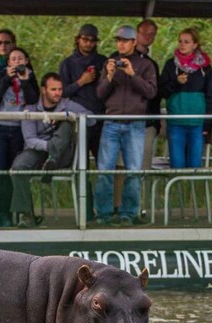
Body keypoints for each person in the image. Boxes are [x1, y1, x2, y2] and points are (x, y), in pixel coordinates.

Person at [10, 73, 94, 228]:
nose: (58, 93)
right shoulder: (31, 108)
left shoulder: (67, 104)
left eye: (60, 89)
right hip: (38, 150)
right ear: (44, 90)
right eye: (53, 89)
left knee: (67, 125)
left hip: (62, 154)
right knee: (18, 167)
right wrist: (49, 147)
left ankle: (52, 161)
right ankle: (26, 215)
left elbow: (91, 118)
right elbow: (30, 139)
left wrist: (67, 116)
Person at [94, 25, 158, 226]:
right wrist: (111, 75)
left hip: (135, 124)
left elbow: (150, 92)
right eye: (118, 40)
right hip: (111, 122)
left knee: (133, 171)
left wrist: (132, 74)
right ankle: (103, 214)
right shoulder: (109, 63)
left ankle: (128, 214)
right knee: (105, 170)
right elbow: (100, 94)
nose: (120, 44)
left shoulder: (145, 65)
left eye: (125, 40)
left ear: (133, 43)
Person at [0, 47, 38, 227]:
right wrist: (6, 78)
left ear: (26, 61)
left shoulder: (30, 77)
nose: (17, 62)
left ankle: (15, 212)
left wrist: (25, 81)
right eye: (13, 59)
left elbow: (34, 99)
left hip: (20, 130)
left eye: (21, 58)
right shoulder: (0, 75)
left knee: (15, 171)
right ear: (8, 62)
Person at [158, 27, 212, 169]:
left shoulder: (205, 68)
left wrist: (207, 123)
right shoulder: (170, 65)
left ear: (195, 45)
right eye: (180, 41)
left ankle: (191, 191)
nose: (182, 45)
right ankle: (177, 191)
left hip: (197, 124)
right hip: (176, 122)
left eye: (187, 42)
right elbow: (161, 91)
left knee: (195, 165)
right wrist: (176, 83)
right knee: (177, 165)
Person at [59, 24, 107, 159]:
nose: (88, 43)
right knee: (81, 161)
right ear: (78, 39)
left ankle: (103, 181)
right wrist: (81, 82)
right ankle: (84, 181)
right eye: (85, 39)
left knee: (104, 162)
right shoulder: (67, 64)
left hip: (100, 118)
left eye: (92, 40)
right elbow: (61, 93)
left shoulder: (103, 61)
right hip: (79, 119)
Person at [136, 19, 162, 169]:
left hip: (148, 122)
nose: (148, 36)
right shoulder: (119, 59)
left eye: (152, 34)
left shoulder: (152, 64)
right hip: (125, 120)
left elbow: (155, 93)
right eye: (145, 33)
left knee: (143, 165)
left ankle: (140, 193)